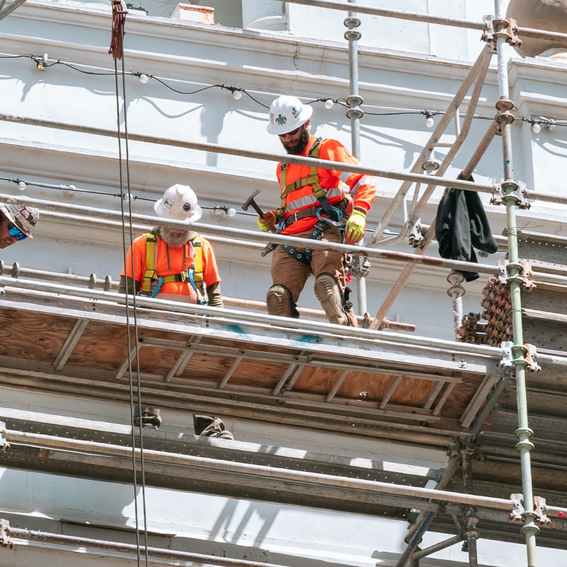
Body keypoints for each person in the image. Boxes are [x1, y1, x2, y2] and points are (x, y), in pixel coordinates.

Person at [119, 184, 232, 440]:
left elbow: (214, 292)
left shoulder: (203, 247)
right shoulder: (142, 245)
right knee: (150, 369)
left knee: (198, 372)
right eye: (172, 224)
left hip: (193, 324)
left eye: (182, 225)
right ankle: (147, 420)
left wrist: (218, 327)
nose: (177, 230)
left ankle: (210, 426)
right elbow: (125, 290)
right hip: (151, 324)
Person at [258, 95, 376, 326]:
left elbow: (363, 180)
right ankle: (287, 350)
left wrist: (360, 213)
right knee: (278, 299)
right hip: (290, 237)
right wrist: (274, 216)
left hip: (323, 230)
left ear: (306, 125)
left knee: (328, 288)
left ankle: (347, 342)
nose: (288, 139)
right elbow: (296, 205)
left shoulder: (326, 149)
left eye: (292, 132)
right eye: (282, 135)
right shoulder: (283, 168)